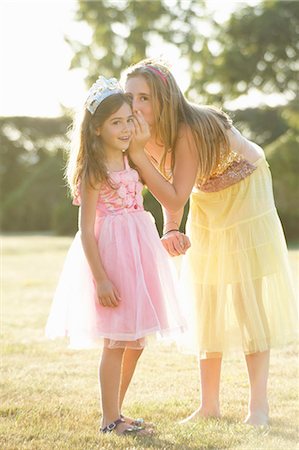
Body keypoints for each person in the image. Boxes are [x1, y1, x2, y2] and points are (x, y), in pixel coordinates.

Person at [124, 58, 298, 426]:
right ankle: (209, 405)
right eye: (131, 98)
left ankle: (258, 408)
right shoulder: (144, 135)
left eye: (145, 98)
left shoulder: (186, 128)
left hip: (245, 187)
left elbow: (172, 192)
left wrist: (140, 157)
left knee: (243, 295)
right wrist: (172, 228)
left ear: (165, 99)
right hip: (207, 192)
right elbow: (172, 190)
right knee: (206, 294)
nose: (136, 107)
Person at [45, 76, 186, 435]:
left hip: (139, 253)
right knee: (116, 341)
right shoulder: (94, 171)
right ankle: (109, 420)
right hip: (112, 258)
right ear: (95, 129)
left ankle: (118, 411)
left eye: (128, 119)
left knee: (136, 340)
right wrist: (101, 278)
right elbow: (86, 230)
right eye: (116, 122)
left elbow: (167, 191)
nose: (125, 128)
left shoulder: (132, 161)